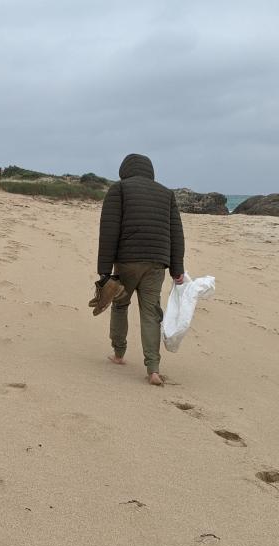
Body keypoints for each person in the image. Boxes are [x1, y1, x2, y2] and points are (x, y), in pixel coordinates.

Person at [96, 153, 185, 385]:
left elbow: (109, 231)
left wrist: (104, 271)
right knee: (151, 313)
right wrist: (178, 268)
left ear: (124, 170)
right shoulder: (166, 194)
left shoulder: (119, 189)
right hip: (157, 262)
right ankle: (153, 369)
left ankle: (118, 353)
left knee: (120, 305)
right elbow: (177, 234)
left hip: (127, 260)